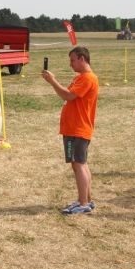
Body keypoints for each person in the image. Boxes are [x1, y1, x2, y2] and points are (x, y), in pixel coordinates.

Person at [41, 46, 99, 215]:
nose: (70, 64)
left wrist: (53, 81)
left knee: (78, 165)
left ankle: (82, 203)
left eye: (73, 60)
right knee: (81, 163)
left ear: (82, 59)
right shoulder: (82, 78)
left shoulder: (87, 78)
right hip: (77, 128)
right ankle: (86, 200)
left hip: (77, 128)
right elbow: (68, 95)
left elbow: (68, 95)